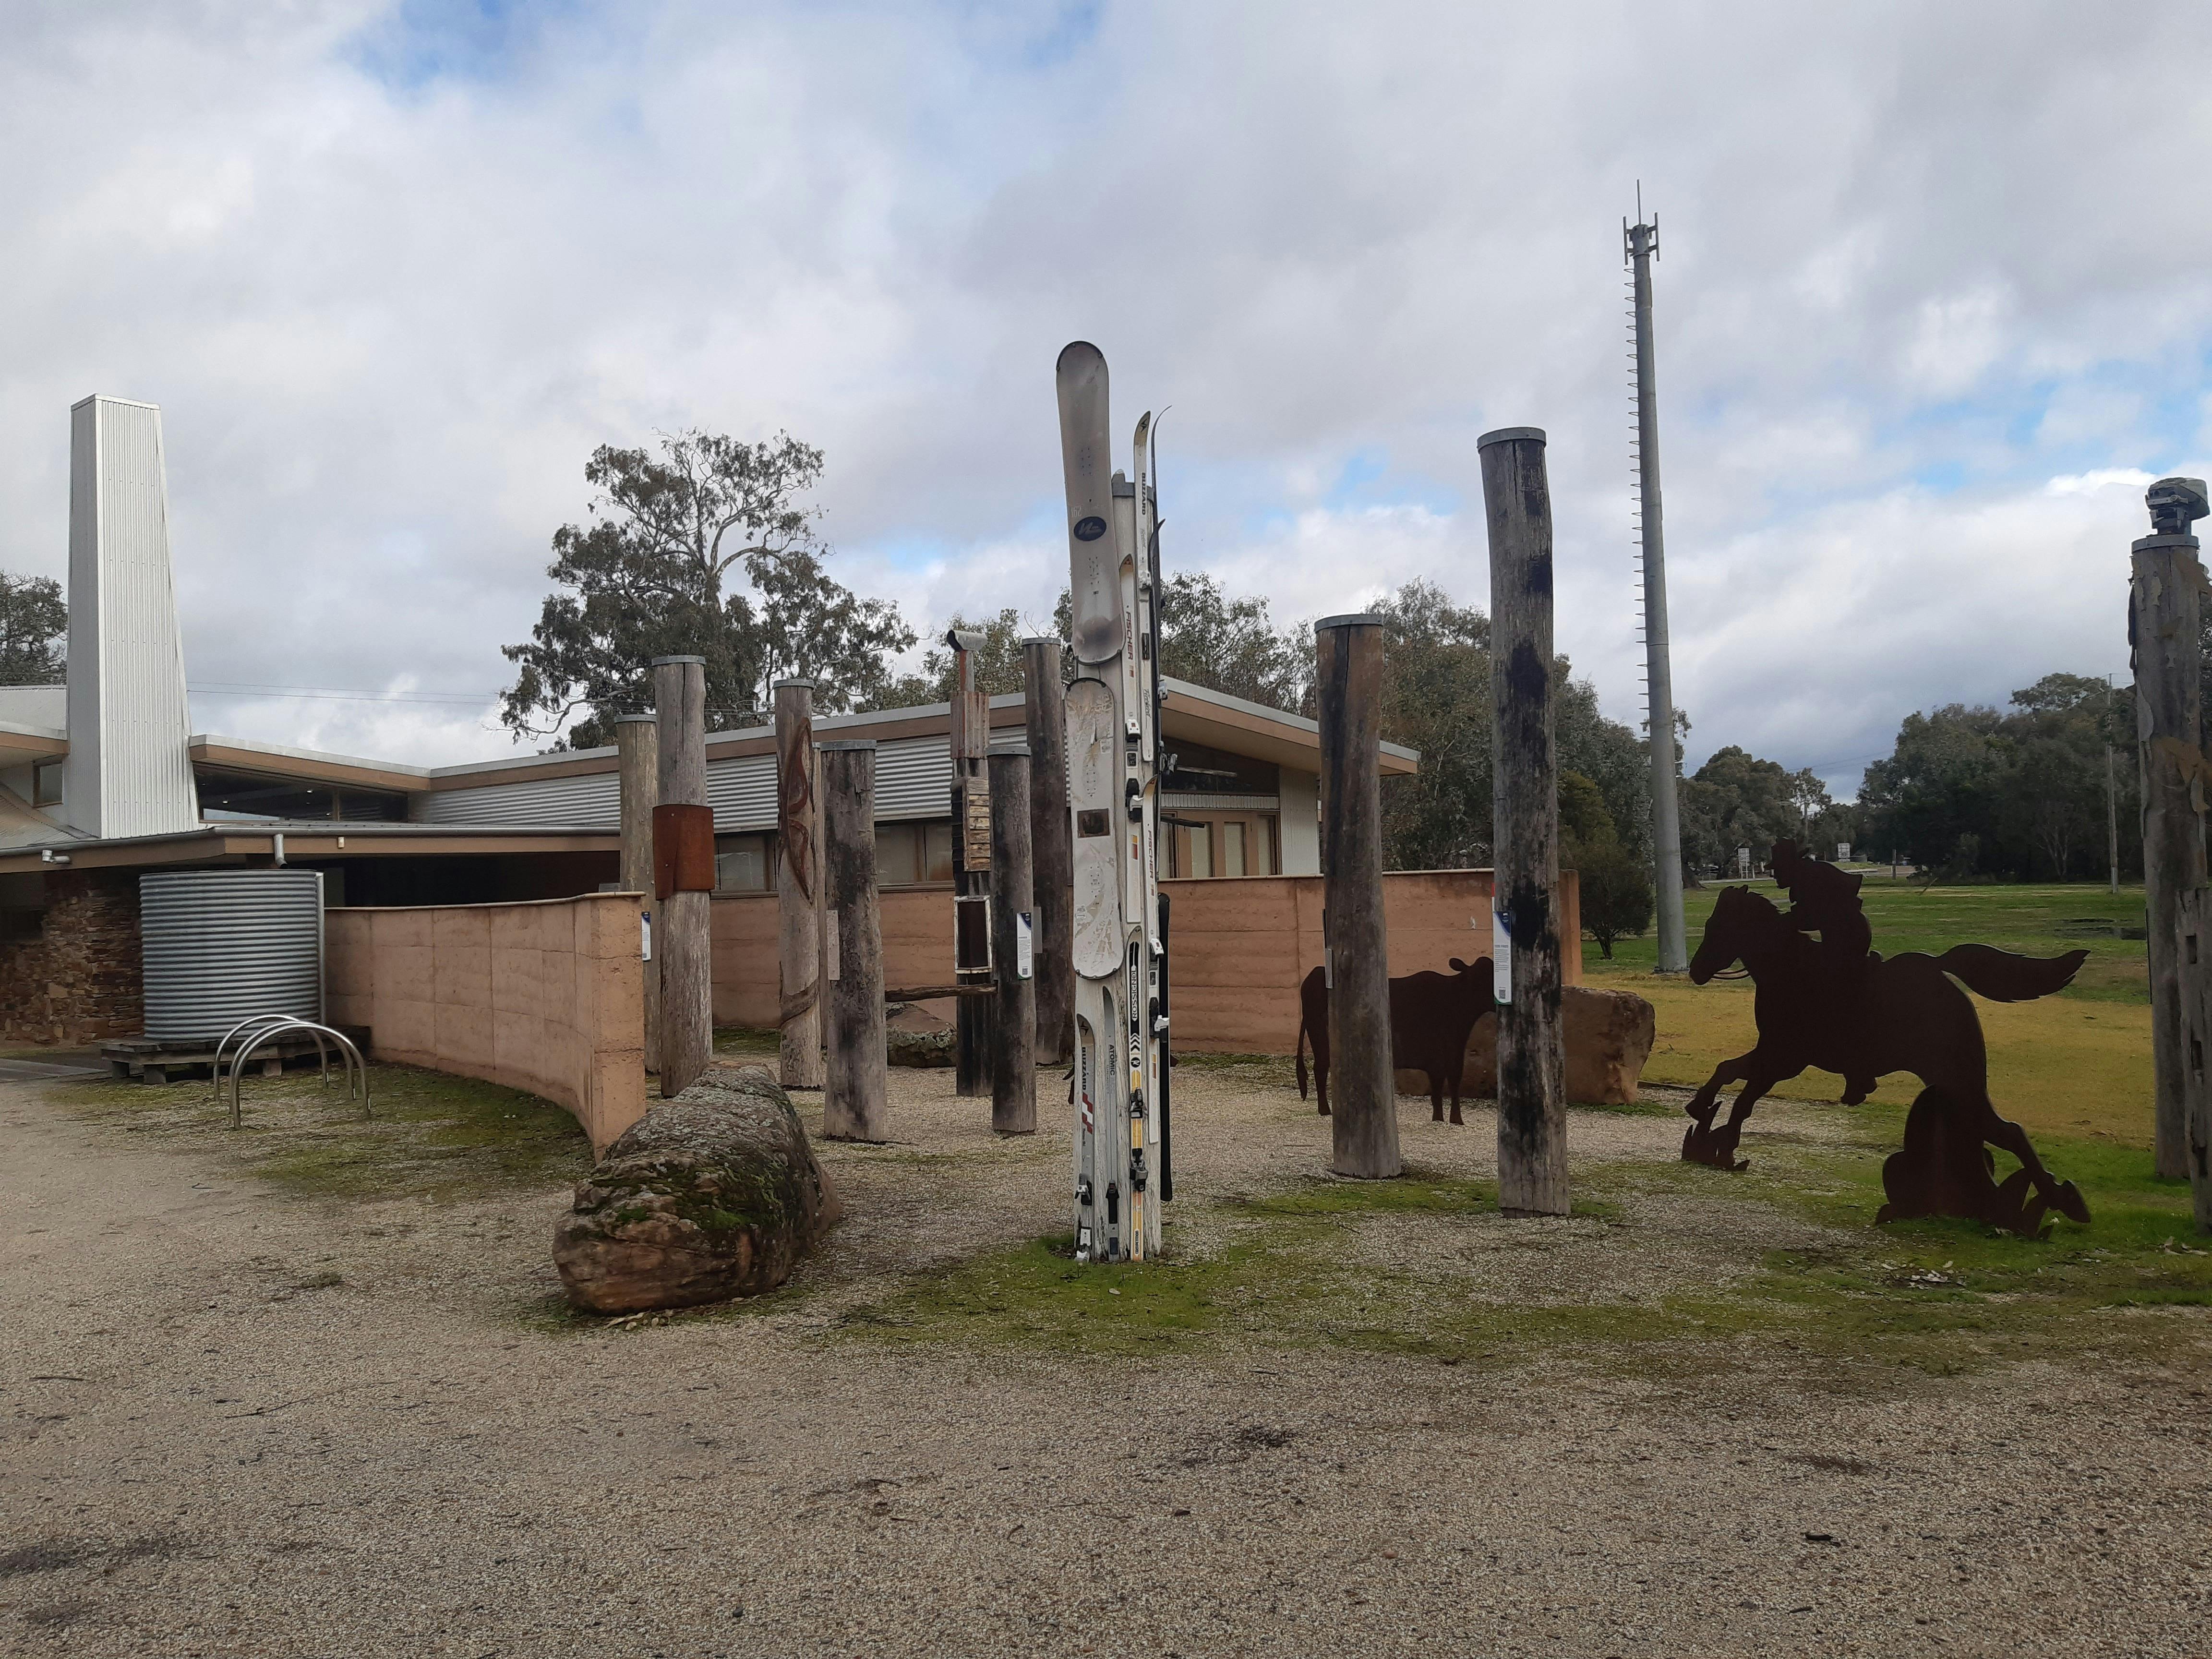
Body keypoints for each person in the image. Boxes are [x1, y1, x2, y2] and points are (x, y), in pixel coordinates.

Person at [1770, 838, 1880, 1103]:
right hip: (1840, 934)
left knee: (1830, 990)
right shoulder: (1805, 876)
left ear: (1789, 866)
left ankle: (1856, 1068)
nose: (1775, 876)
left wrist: (1784, 923)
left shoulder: (1809, 877)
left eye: (1777, 870)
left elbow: (1811, 916)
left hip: (1848, 936)